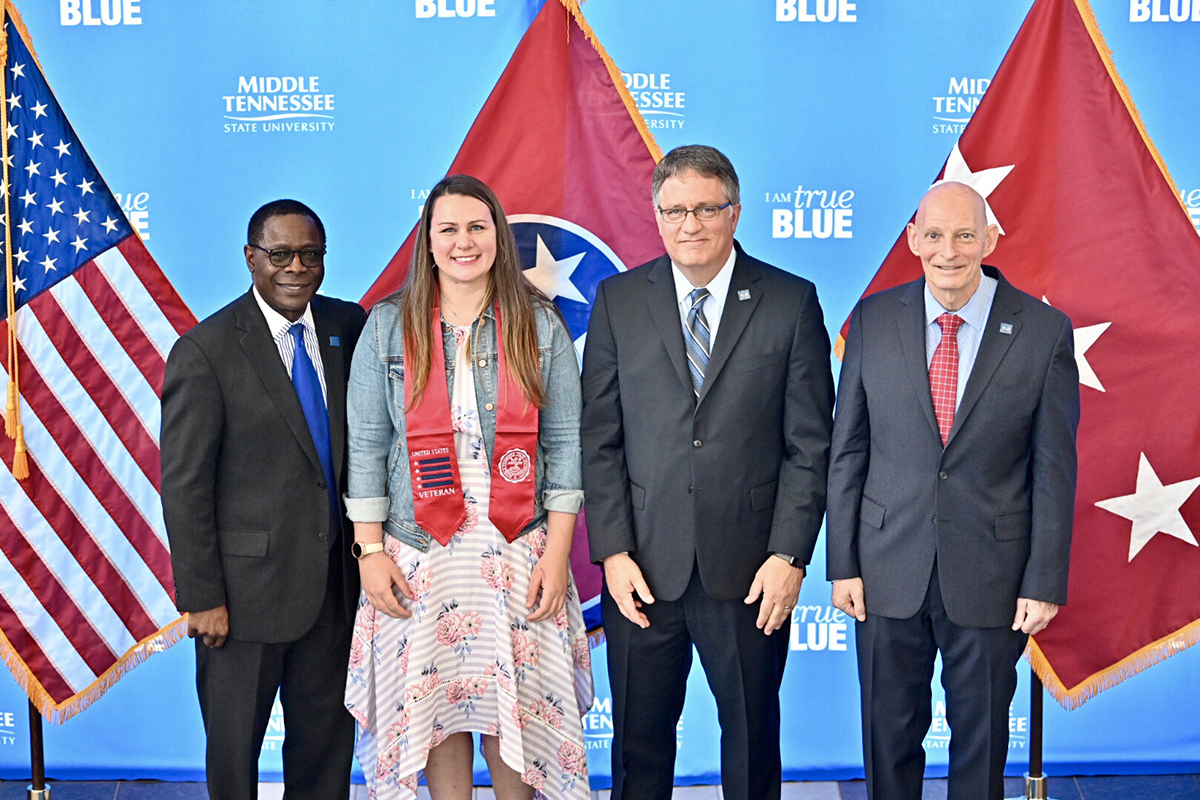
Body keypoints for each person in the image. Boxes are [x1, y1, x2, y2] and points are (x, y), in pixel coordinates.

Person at [580, 144, 835, 800]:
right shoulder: (617, 300)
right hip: (640, 572)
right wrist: (610, 551)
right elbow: (599, 438)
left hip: (750, 572)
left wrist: (789, 556)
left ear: (735, 212)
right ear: (657, 216)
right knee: (639, 748)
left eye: (705, 208)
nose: (689, 224)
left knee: (751, 743)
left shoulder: (789, 301)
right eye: (674, 210)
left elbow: (810, 447)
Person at [826, 181, 1080, 800]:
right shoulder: (872, 320)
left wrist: (1043, 581)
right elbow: (848, 451)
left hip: (994, 574)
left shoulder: (1043, 331)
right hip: (886, 570)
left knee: (982, 744)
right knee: (888, 740)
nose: (949, 250)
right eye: (934, 235)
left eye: (965, 234)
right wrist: (843, 565)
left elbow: (1053, 468)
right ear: (913, 240)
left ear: (990, 239)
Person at [343, 174, 593, 800]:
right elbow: (368, 448)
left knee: (519, 712)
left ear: (498, 237)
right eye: (448, 229)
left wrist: (558, 554)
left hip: (517, 547)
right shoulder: (386, 327)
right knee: (436, 713)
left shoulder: (539, 325)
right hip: (418, 549)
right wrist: (370, 554)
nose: (463, 241)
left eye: (477, 227)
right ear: (427, 242)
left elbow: (565, 448)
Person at [161, 199, 367, 799]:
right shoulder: (206, 351)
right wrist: (201, 597)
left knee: (326, 754)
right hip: (240, 604)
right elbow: (185, 485)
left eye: (310, 255)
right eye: (279, 254)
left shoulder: (346, 327)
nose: (296, 268)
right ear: (252, 259)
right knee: (234, 758)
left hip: (335, 592)